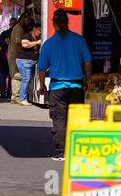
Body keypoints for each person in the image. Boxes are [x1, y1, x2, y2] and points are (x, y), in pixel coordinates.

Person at [38, 9, 92, 161]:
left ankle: (62, 151)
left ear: (54, 24)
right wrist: (88, 78)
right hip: (76, 86)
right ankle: (77, 150)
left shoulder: (49, 44)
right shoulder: (79, 40)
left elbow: (42, 68)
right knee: (76, 118)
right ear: (67, 23)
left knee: (59, 119)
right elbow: (87, 61)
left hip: (57, 88)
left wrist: (42, 85)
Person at [8, 12, 32, 104]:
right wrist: (23, 54)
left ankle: (15, 97)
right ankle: (16, 97)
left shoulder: (19, 27)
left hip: (14, 54)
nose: (28, 22)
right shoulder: (18, 28)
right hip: (15, 55)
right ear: (22, 19)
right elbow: (18, 43)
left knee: (15, 75)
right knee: (16, 75)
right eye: (27, 20)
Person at [15, 23, 42, 106]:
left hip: (28, 61)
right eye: (39, 30)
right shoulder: (27, 35)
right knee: (25, 80)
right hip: (24, 61)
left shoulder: (35, 37)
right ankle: (22, 99)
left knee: (27, 80)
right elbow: (24, 44)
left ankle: (24, 98)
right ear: (34, 28)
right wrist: (37, 42)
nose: (40, 32)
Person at [0, 18, 17, 99]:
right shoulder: (4, 33)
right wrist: (4, 42)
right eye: (12, 24)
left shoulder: (14, 33)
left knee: (7, 75)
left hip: (9, 58)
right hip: (4, 58)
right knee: (4, 75)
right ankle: (5, 92)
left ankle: (7, 93)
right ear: (9, 24)